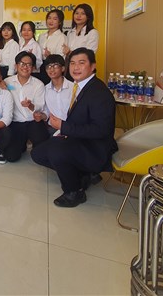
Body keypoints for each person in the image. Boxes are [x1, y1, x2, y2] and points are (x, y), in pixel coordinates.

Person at [31, 48, 117, 208]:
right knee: (38, 153)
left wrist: (64, 127)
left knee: (56, 150)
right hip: (79, 138)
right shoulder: (82, 86)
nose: (76, 67)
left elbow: (101, 130)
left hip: (95, 148)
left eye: (81, 63)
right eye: (72, 63)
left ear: (93, 66)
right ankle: (83, 175)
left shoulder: (99, 92)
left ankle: (74, 192)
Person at [3, 51, 47, 163]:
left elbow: (40, 106)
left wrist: (30, 105)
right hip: (16, 122)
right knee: (11, 157)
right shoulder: (7, 82)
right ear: (16, 65)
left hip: (33, 122)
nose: (25, 67)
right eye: (22, 63)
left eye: (29, 64)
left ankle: (32, 142)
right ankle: (22, 143)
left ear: (33, 67)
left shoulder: (38, 84)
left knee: (41, 153)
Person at [33, 54, 72, 136]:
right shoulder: (45, 89)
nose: (51, 69)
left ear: (63, 68)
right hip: (53, 128)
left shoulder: (73, 88)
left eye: (55, 66)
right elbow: (46, 112)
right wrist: (41, 116)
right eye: (49, 67)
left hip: (71, 127)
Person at [38, 9, 67, 85]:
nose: (51, 21)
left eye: (55, 19)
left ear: (60, 22)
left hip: (53, 68)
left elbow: (61, 58)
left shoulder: (62, 37)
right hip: (40, 67)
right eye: (49, 18)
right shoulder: (41, 36)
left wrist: (50, 56)